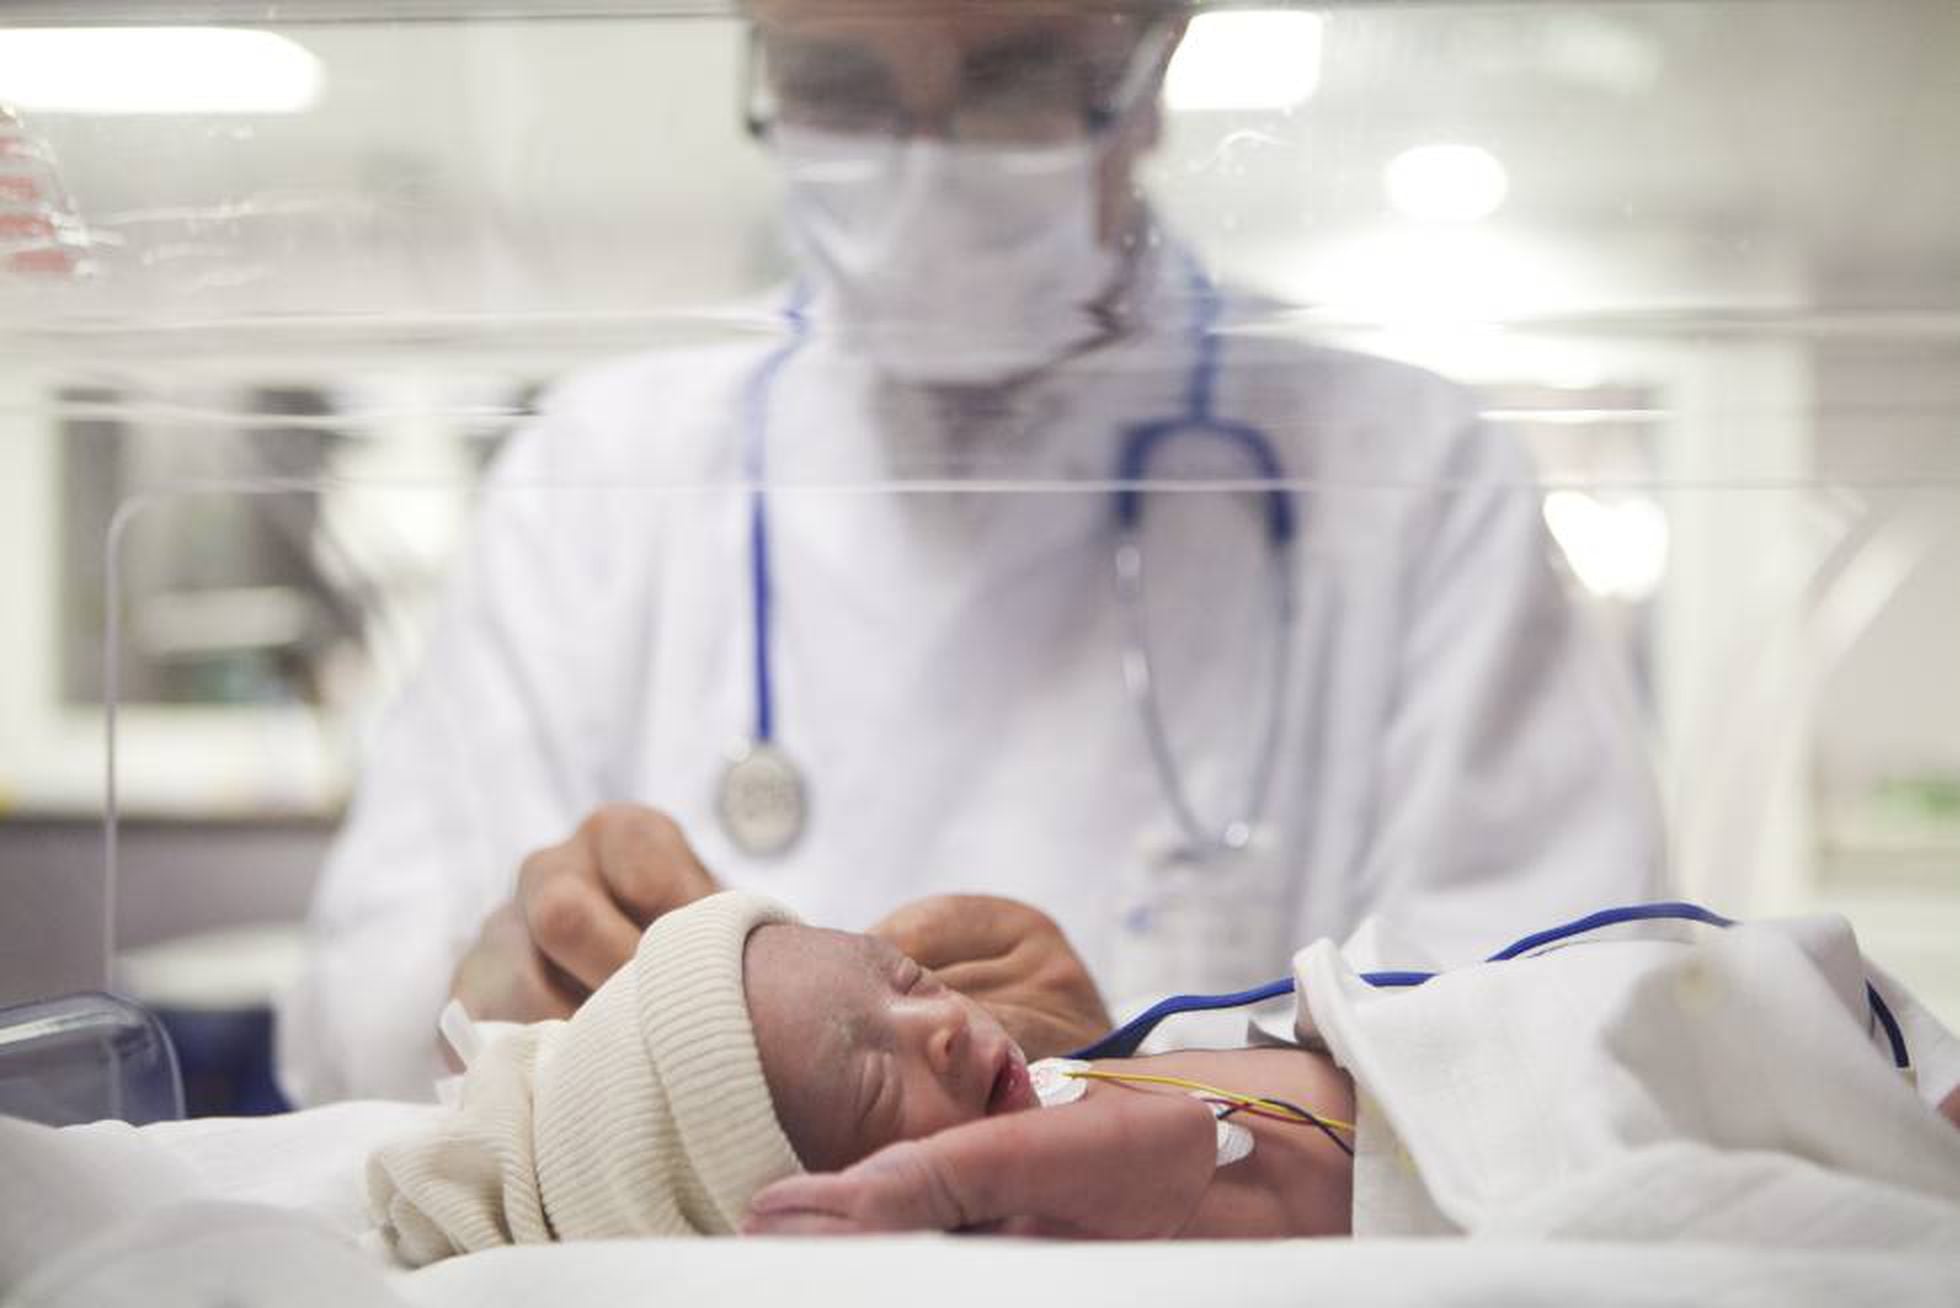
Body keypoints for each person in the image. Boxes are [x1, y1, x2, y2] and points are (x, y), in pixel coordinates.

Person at [278, 0, 1662, 1106]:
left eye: (1011, 82)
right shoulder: (604, 464)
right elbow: (358, 1023)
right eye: (837, 88)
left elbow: (1570, 1037)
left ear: (1157, 64)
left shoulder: (1401, 473)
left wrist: (1157, 1090)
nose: (920, 169)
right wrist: (489, 994)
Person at [368, 893, 1960, 1261]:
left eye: (901, 976)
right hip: (1579, 1103)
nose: (930, 1024)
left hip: (1566, 1015)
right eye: (869, 1090)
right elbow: (1233, 1163)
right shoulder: (1024, 1206)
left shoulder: (1059, 1082)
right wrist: (1194, 1145)